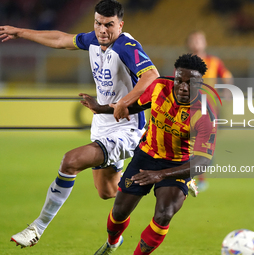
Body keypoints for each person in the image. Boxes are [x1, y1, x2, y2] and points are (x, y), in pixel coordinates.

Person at [0, 0, 160, 248]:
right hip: (102, 126)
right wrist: (19, 32)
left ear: (120, 24)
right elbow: (60, 39)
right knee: (107, 192)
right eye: (98, 23)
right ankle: (163, 175)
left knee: (70, 161)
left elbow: (152, 76)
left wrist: (125, 102)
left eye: (109, 25)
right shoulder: (94, 39)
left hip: (126, 128)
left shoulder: (127, 46)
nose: (102, 30)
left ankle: (37, 227)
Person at [85, 53, 217, 254]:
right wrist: (101, 108)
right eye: (179, 80)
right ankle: (112, 242)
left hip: (176, 164)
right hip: (146, 155)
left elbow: (201, 162)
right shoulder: (159, 87)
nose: (183, 87)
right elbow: (135, 106)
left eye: (190, 83)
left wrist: (161, 175)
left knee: (164, 214)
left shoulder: (205, 113)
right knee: (120, 212)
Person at [186, 30, 233, 192]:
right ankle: (190, 177)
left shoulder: (214, 61)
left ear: (205, 43)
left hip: (209, 107)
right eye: (194, 40)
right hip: (190, 107)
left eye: (200, 40)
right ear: (190, 43)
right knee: (188, 142)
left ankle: (200, 179)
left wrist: (227, 90)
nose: (197, 43)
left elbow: (226, 75)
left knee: (204, 142)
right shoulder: (185, 63)